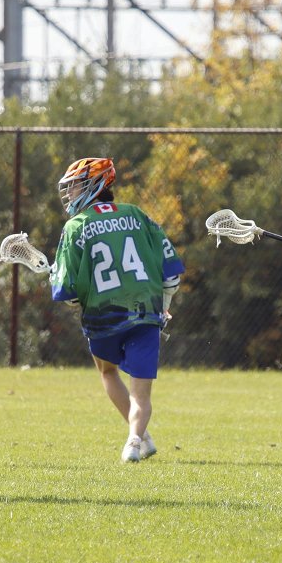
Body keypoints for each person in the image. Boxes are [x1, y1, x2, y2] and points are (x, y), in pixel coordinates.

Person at [49, 157, 184, 463]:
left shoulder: (76, 226)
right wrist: (163, 307)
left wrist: (75, 298)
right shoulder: (136, 214)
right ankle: (136, 440)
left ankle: (142, 439)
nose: (70, 193)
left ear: (95, 185)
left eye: (76, 186)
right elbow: (172, 276)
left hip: (103, 318)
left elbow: (69, 294)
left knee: (108, 372)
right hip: (146, 312)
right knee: (141, 393)